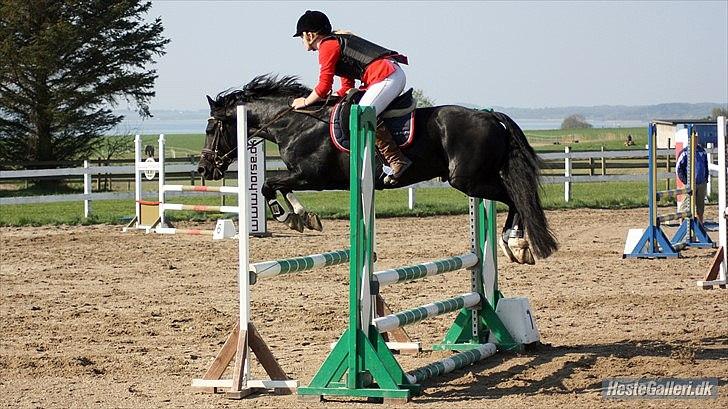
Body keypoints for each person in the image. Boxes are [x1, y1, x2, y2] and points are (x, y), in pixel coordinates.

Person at [291, 10, 411, 184]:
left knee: (363, 114)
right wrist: (332, 98)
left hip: (385, 76)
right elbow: (346, 87)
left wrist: (305, 101)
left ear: (309, 35)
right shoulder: (334, 43)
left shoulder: (327, 46)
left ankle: (396, 159)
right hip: (387, 75)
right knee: (358, 108)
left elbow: (324, 86)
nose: (302, 41)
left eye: (301, 37)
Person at [676, 142, 709, 223]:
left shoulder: (702, 151)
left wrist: (706, 179)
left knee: (700, 208)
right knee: (685, 206)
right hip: (690, 184)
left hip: (701, 183)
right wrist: (686, 181)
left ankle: (701, 226)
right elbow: (678, 168)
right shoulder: (685, 152)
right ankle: (682, 225)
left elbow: (706, 165)